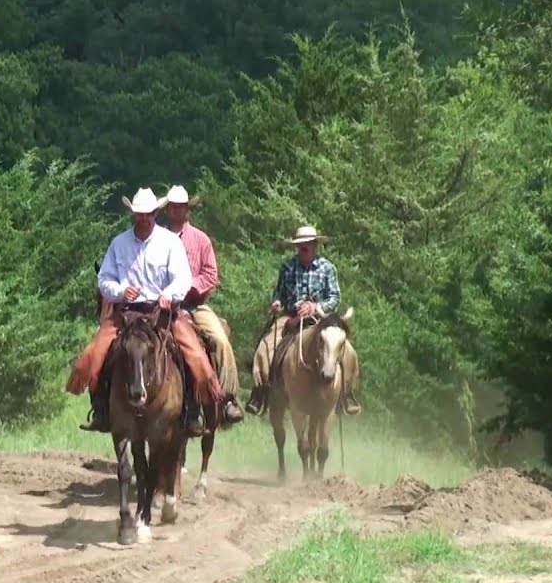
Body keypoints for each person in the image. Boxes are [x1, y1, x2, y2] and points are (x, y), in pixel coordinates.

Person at [66, 187, 225, 437]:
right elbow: (104, 278)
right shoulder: (119, 243)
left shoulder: (170, 242)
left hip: (161, 313)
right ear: (133, 214)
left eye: (149, 213)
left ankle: (193, 411)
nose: (144, 218)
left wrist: (169, 294)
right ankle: (101, 409)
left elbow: (182, 277)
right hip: (126, 314)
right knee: (94, 354)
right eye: (140, 214)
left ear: (155, 213)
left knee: (195, 355)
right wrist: (120, 291)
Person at [245, 225, 361, 416]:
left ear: (314, 244)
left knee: (347, 351)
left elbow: (334, 298)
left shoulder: (327, 268)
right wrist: (276, 302)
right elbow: (279, 292)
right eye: (299, 245)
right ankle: (260, 393)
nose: (302, 248)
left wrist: (315, 307)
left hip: (320, 320)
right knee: (264, 347)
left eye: (306, 244)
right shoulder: (287, 267)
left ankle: (347, 394)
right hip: (290, 317)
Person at [162, 185, 244, 426]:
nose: (177, 211)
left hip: (193, 306)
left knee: (219, 339)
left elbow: (210, 275)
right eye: (173, 207)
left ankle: (227, 398)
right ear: (168, 209)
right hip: (159, 304)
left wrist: (187, 287)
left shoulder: (201, 240)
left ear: (188, 209)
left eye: (181, 207)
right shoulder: (158, 238)